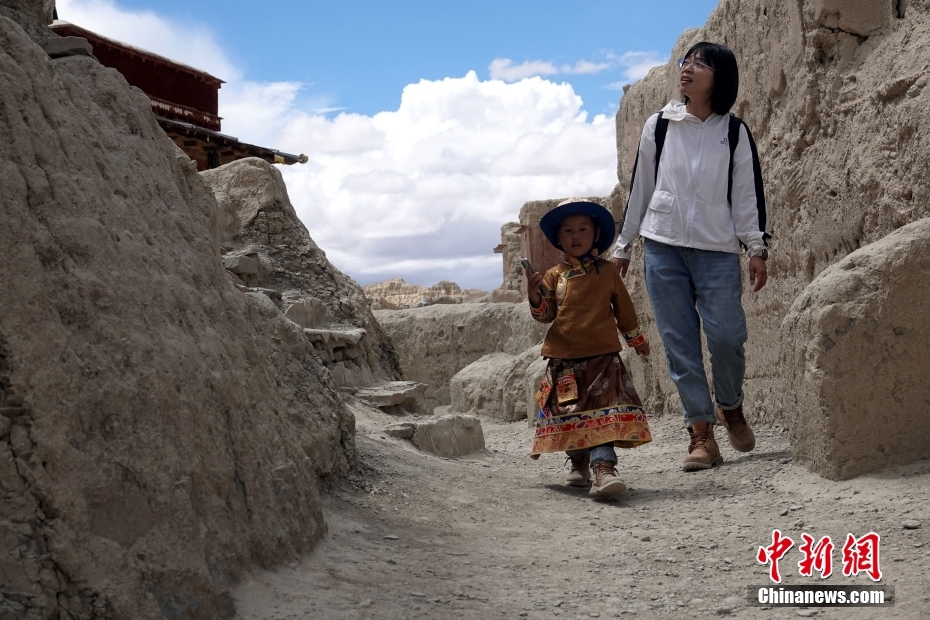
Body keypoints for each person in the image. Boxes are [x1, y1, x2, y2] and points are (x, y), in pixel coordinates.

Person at [611, 42, 769, 472]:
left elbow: (747, 195)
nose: (689, 68)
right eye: (687, 61)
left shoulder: (734, 132)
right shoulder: (660, 125)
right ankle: (701, 434)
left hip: (717, 250)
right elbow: (641, 188)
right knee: (680, 345)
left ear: (720, 77)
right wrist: (624, 245)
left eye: (701, 63)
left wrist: (756, 247)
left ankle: (730, 406)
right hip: (662, 247)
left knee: (728, 337)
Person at [526, 198, 652, 497]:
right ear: (559, 238)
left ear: (596, 235)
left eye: (583, 229)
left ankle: (603, 468)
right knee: (571, 412)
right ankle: (578, 461)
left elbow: (624, 309)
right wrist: (534, 295)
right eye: (568, 230)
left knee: (604, 412)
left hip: (602, 357)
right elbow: (546, 315)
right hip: (564, 360)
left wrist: (636, 340)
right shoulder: (553, 276)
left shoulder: (607, 272)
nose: (575, 236)